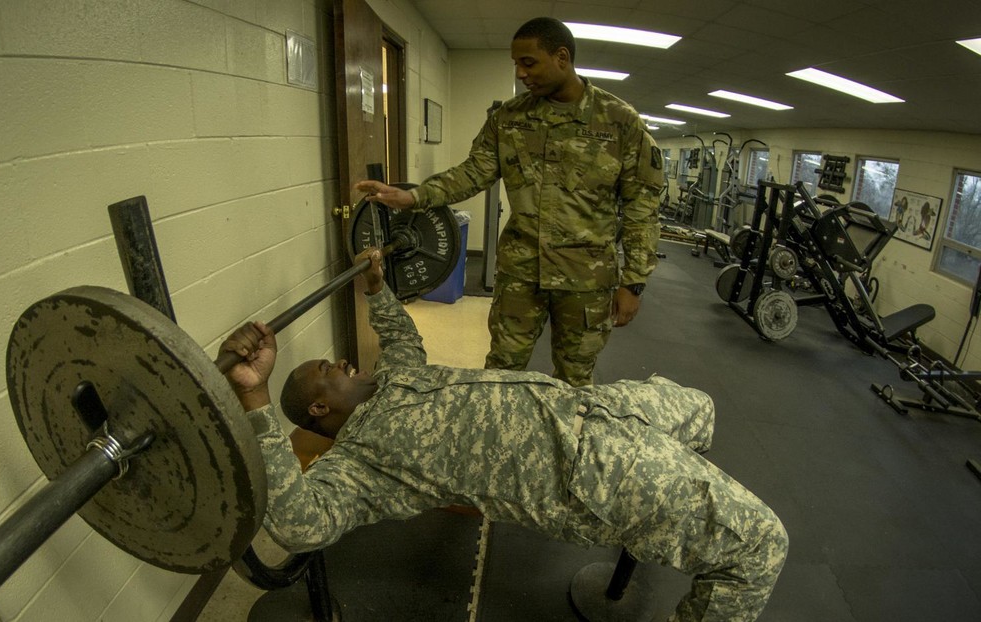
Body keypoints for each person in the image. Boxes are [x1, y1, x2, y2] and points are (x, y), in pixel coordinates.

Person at [222, 248, 788, 621]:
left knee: (701, 408)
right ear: (320, 408)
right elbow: (299, 525)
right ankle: (672, 514)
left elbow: (399, 338)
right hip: (593, 469)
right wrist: (254, 397)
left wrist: (376, 286)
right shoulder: (364, 466)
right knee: (761, 545)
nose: (342, 362)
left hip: (595, 407)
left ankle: (675, 516)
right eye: (328, 368)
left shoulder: (394, 379)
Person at [354, 17, 665, 387]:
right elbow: (472, 172)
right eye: (516, 64)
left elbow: (641, 209)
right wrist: (413, 197)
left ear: (562, 57)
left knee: (575, 379)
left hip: (586, 280)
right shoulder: (510, 119)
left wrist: (634, 283)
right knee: (501, 371)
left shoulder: (620, 122)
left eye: (529, 62)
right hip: (522, 273)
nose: (520, 73)